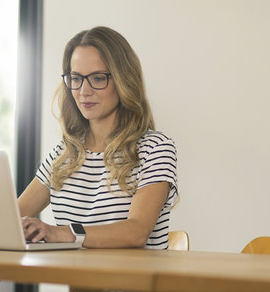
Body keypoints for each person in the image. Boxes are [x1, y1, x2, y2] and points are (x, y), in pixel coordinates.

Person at [19, 26, 178, 250]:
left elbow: (137, 231)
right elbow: (11, 220)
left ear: (124, 81)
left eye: (98, 78)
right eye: (76, 78)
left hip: (135, 284)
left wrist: (60, 233)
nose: (84, 91)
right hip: (80, 283)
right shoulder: (63, 154)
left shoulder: (155, 148)